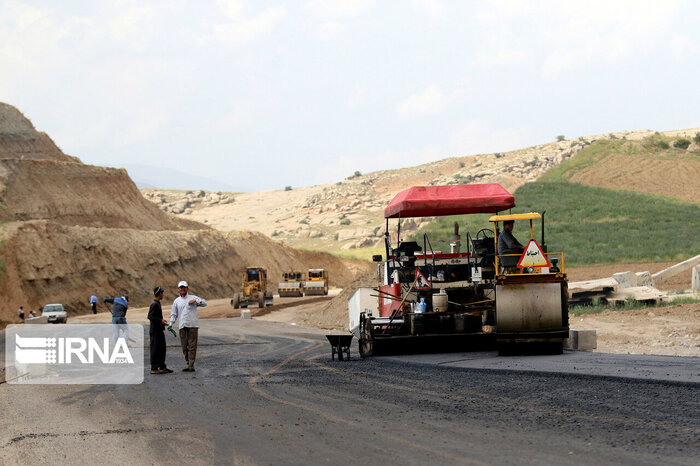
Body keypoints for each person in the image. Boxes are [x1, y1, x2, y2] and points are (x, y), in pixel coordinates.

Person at [169, 281, 207, 372]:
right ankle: (187, 362)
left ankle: (191, 364)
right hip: (182, 326)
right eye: (181, 288)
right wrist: (171, 324)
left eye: (184, 287)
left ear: (187, 288)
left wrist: (196, 301)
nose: (182, 289)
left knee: (192, 346)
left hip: (193, 325)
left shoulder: (193, 298)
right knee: (184, 346)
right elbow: (174, 314)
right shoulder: (176, 301)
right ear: (178, 289)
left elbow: (204, 303)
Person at [148, 287, 172, 374]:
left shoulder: (157, 303)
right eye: (162, 293)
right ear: (160, 293)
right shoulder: (154, 304)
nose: (163, 294)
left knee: (161, 348)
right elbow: (150, 316)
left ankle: (162, 366)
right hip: (155, 331)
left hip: (158, 330)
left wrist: (162, 322)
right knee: (155, 349)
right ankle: (154, 368)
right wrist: (160, 321)